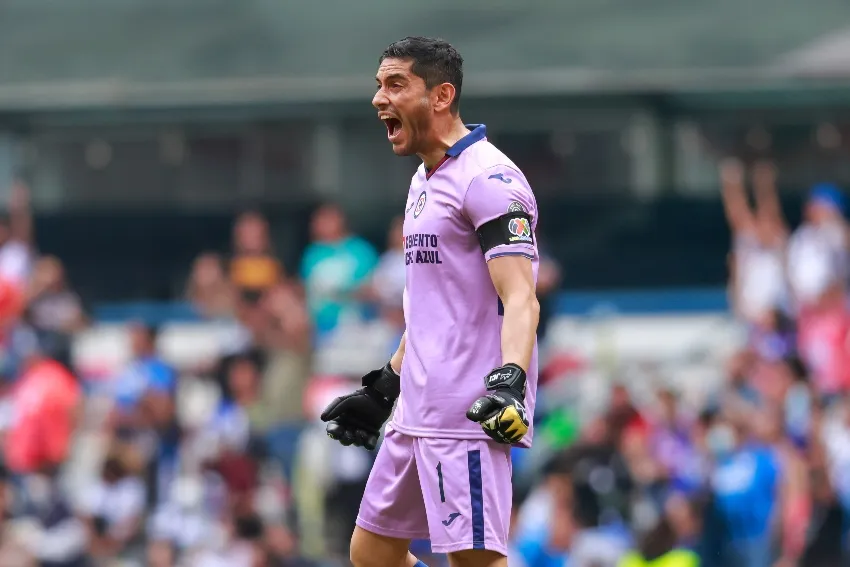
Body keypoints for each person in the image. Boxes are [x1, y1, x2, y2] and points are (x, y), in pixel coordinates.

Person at [320, 36, 540, 567]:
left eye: (396, 85)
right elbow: (431, 309)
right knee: (371, 553)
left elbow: (521, 297)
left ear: (441, 96)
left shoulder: (490, 179)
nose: (379, 99)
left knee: (475, 561)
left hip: (466, 414)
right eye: (379, 85)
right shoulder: (424, 178)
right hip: (415, 411)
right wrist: (386, 387)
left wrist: (511, 379)